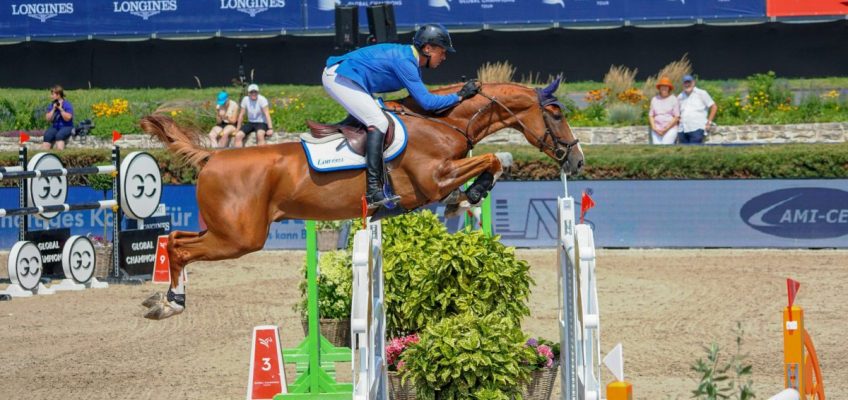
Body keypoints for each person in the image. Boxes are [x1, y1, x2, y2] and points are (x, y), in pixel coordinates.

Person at [322, 24, 480, 208]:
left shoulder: (410, 61)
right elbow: (427, 102)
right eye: (442, 52)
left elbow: (422, 102)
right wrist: (460, 96)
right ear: (428, 48)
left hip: (349, 77)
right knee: (378, 121)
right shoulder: (405, 62)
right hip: (339, 77)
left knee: (379, 116)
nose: (444, 57)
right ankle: (373, 191)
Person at [677, 75, 717, 144]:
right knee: (683, 153)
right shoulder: (680, 96)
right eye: (685, 82)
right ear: (683, 84)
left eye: (689, 82)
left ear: (693, 83)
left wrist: (709, 122)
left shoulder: (702, 93)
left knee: (694, 152)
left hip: (697, 128)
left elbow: (714, 107)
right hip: (682, 129)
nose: (687, 84)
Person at [648, 77, 680, 145]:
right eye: (662, 86)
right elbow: (651, 115)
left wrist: (666, 129)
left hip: (670, 129)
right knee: (656, 148)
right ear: (659, 88)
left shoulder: (673, 99)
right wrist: (654, 128)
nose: (664, 88)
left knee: (666, 145)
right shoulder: (654, 99)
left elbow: (676, 117)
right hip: (656, 129)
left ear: (669, 88)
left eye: (666, 86)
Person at [43, 85, 74, 150]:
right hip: (56, 127)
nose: (51, 96)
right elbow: (47, 119)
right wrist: (53, 109)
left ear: (58, 95)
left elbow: (68, 118)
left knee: (59, 136)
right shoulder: (52, 105)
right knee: (47, 136)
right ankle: (45, 157)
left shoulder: (67, 104)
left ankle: (59, 156)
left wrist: (61, 109)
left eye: (52, 94)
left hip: (67, 126)